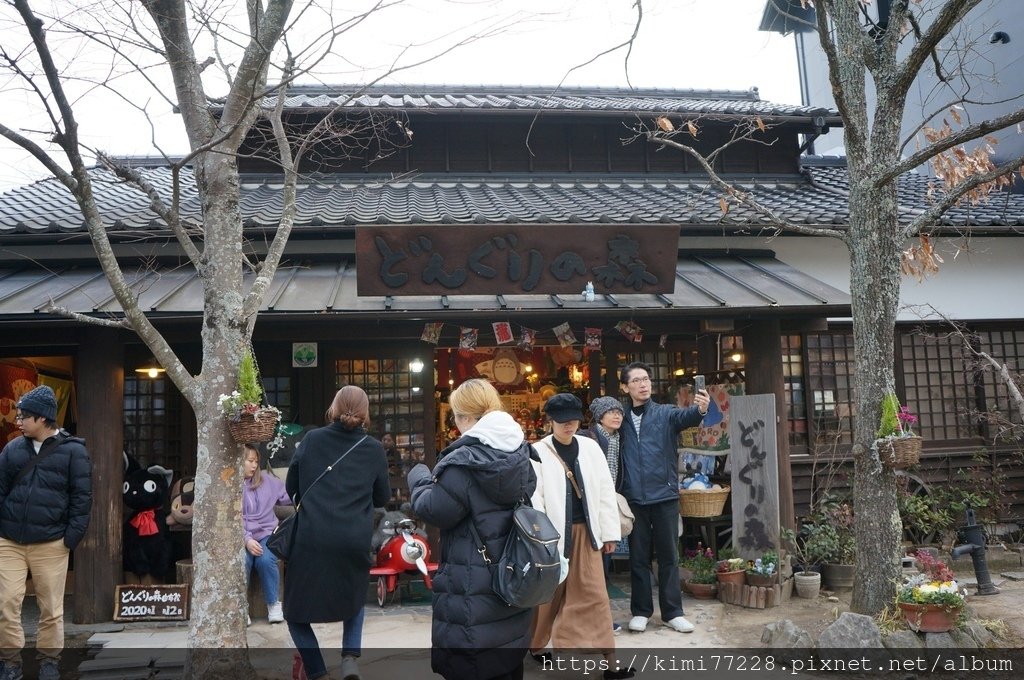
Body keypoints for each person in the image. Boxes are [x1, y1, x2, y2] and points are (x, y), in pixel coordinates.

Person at [407, 378, 536, 680]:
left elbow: (434, 510)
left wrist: (419, 478)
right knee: (506, 656)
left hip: (471, 582)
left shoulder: (464, 462)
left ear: (464, 417)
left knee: (471, 659)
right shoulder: (519, 452)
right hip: (509, 574)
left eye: (456, 416)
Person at [284, 386, 390, 680]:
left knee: (294, 613)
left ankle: (317, 671)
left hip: (312, 537)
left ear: (333, 407)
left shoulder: (311, 440)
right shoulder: (373, 448)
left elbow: (291, 486)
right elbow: (382, 497)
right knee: (354, 598)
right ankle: (349, 660)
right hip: (353, 538)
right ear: (365, 413)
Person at [528, 394, 634, 680]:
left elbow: (603, 491)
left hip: (587, 535)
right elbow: (534, 499)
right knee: (548, 598)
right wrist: (542, 539)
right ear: (550, 421)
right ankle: (537, 647)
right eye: (562, 421)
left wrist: (610, 533)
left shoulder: (589, 448)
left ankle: (610, 664)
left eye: (573, 420)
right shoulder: (537, 451)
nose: (568, 426)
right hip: (553, 538)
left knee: (594, 596)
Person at [0, 386, 92, 680]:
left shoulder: (73, 451)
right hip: (9, 540)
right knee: (6, 602)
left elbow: (82, 498)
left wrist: (70, 539)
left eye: (24, 416)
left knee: (51, 608)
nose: (18, 421)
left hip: (52, 542)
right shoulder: (13, 448)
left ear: (42, 418)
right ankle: (10, 662)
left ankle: (49, 661)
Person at [618, 362, 709, 634]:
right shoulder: (619, 419)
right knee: (638, 558)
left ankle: (673, 612)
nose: (643, 384)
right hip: (634, 498)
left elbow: (688, 417)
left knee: (669, 556)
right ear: (625, 387)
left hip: (665, 495)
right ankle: (641, 611)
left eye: (646, 379)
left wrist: (701, 409)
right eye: (636, 380)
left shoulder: (665, 413)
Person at [579, 395, 626, 633]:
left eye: (619, 411)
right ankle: (588, 620)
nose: (617, 415)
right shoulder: (587, 438)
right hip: (587, 510)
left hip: (607, 508)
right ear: (599, 417)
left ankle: (601, 620)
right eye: (611, 412)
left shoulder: (619, 438)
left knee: (602, 565)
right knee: (588, 568)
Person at [242, 443, 292, 625]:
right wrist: (246, 539)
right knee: (244, 560)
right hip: (242, 536)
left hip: (267, 532)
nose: (254, 465)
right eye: (250, 461)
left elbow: (288, 496)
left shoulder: (267, 480)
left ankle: (273, 604)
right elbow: (231, 519)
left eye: (256, 461)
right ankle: (241, 607)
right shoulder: (230, 484)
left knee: (265, 560)